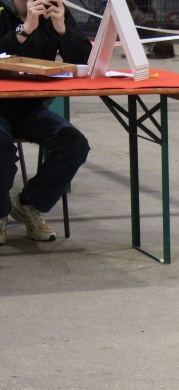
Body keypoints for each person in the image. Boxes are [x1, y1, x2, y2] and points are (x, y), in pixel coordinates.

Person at [0, 0, 91, 244]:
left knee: (74, 144)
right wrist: (25, 29)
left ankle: (29, 204)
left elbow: (85, 61)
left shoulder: (54, 10)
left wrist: (63, 30)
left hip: (31, 107)